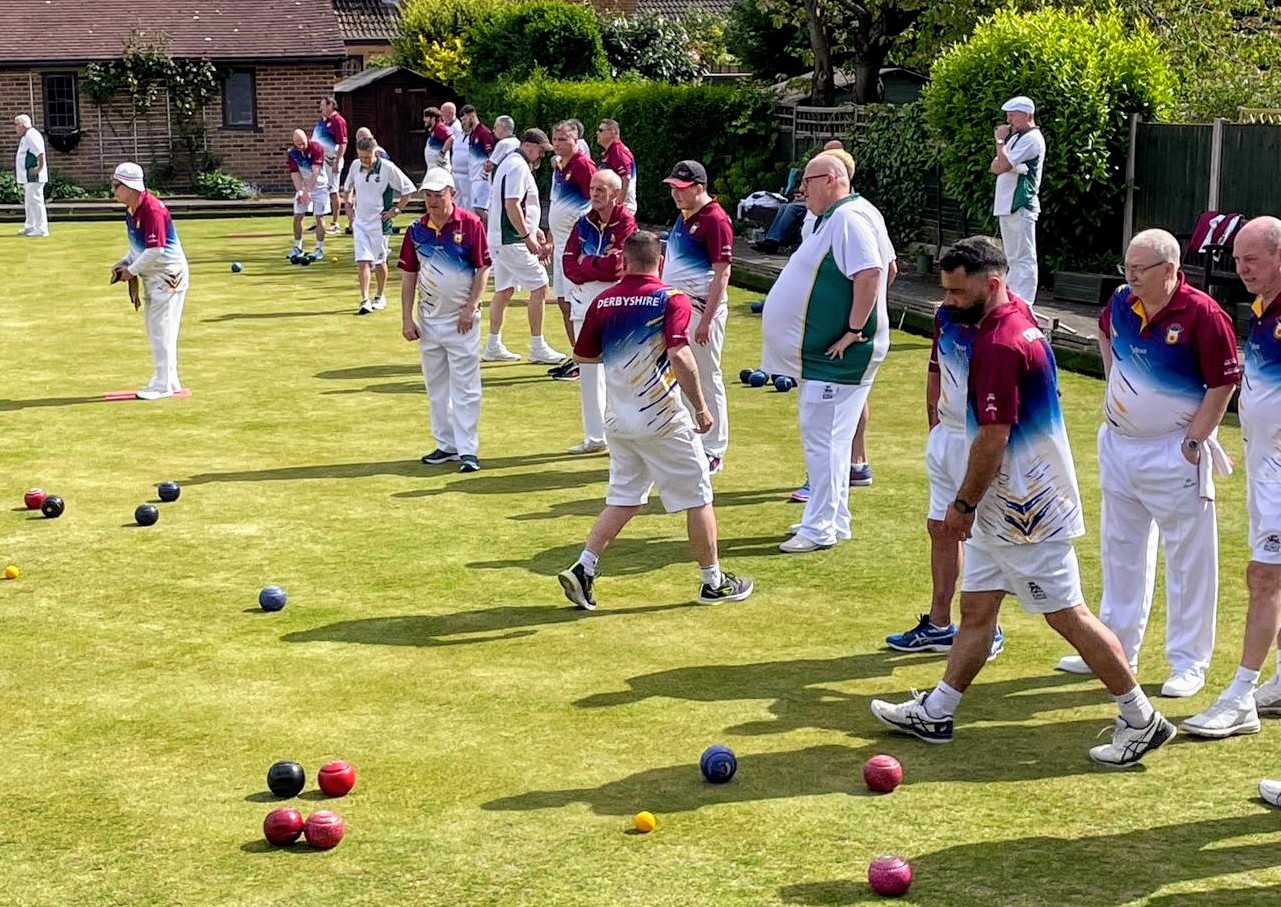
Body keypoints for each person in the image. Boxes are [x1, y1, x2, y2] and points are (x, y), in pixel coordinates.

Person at [869, 237, 1176, 769]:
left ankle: (1141, 717)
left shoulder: (999, 344)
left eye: (957, 291)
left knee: (1068, 616)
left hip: (1024, 511)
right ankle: (938, 711)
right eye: (944, 289)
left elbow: (993, 435)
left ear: (991, 284)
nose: (946, 301)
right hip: (1010, 504)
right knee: (978, 607)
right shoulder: (1012, 319)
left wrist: (962, 506)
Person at [1057, 229, 1238, 700]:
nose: (1131, 276)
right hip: (1118, 445)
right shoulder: (1120, 301)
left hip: (1173, 450)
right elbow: (1102, 330)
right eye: (1128, 267)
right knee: (1120, 551)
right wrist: (1116, 385)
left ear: (1171, 270)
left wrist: (1196, 439)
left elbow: (1223, 382)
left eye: (1141, 268)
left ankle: (1189, 663)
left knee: (1189, 560)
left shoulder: (1203, 314)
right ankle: (1115, 650)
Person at [557, 231, 754, 610]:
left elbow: (584, 355)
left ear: (624, 262)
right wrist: (700, 407)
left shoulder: (604, 300)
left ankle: (584, 567)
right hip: (662, 419)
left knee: (624, 498)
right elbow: (680, 354)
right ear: (659, 262)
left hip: (618, 421)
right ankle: (713, 582)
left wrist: (623, 360)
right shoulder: (671, 299)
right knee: (699, 496)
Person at [761, 154, 893, 552]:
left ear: (832, 179)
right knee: (829, 440)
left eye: (808, 181)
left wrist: (854, 329)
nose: (802, 189)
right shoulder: (838, 216)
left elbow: (872, 272)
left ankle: (819, 527)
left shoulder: (849, 219)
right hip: (825, 355)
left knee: (823, 439)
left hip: (837, 355)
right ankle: (833, 518)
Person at [1186, 217, 1281, 748]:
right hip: (1265, 468)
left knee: (1263, 577)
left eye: (1252, 260)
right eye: (1237, 260)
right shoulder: (1266, 310)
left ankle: (1240, 696)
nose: (1240, 270)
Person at [885, 286, 1006, 661]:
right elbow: (936, 369)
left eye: (957, 288)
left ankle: (990, 628)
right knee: (940, 528)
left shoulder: (1011, 325)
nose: (949, 297)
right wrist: (934, 423)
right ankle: (939, 624)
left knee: (987, 534)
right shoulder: (946, 316)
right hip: (947, 437)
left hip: (983, 439)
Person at [398, 168, 492, 474]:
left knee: (465, 387)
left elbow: (482, 268)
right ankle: (446, 444)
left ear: (453, 193)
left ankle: (468, 450)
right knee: (436, 386)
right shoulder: (416, 230)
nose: (433, 201)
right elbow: (409, 275)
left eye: (439, 194)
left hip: (462, 321)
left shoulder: (471, 224)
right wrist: (406, 317)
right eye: (428, 195)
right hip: (428, 322)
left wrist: (472, 306)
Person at [661, 160, 735, 475]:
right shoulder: (686, 215)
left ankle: (713, 448)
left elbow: (723, 273)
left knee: (706, 374)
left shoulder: (716, 220)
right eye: (673, 189)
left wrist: (707, 319)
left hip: (701, 309)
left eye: (681, 189)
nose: (675, 194)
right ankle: (691, 437)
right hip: (677, 307)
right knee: (680, 372)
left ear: (699, 188)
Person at [561, 169, 638, 454]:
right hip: (583, 303)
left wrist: (586, 262)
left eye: (601, 189)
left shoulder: (626, 222)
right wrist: (594, 264)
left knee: (620, 371)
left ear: (615, 194)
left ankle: (624, 433)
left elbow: (617, 266)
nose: (594, 194)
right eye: (593, 188)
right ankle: (595, 437)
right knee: (589, 371)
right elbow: (568, 263)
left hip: (615, 306)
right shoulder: (583, 223)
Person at [108, 162, 189, 400]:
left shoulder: (152, 210)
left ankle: (162, 385)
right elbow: (138, 247)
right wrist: (125, 261)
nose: (113, 190)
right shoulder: (132, 210)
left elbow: (156, 250)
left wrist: (131, 271)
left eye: (117, 185)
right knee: (163, 330)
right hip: (156, 276)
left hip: (167, 277)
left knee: (160, 331)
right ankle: (169, 380)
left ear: (131, 187)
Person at [483, 128, 563, 365]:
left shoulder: (512, 163)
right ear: (529, 146)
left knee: (504, 290)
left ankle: (493, 345)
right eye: (539, 150)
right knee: (540, 286)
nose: (540, 155)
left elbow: (519, 206)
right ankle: (537, 346)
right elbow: (512, 204)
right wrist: (527, 235)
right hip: (511, 240)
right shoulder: (517, 166)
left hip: (503, 238)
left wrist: (533, 228)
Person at [547, 121, 597, 380]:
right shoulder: (559, 167)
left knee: (578, 303)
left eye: (564, 139)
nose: (558, 143)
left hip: (576, 248)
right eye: (555, 138)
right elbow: (556, 203)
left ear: (576, 141)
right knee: (564, 303)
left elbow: (597, 202)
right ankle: (577, 354)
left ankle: (586, 358)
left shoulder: (582, 165)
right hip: (560, 245)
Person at [343, 136, 415, 316]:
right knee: (362, 261)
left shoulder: (388, 168)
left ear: (375, 153)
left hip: (379, 224)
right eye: (362, 157)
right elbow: (348, 188)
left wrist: (396, 210)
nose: (365, 161)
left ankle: (380, 296)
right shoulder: (354, 166)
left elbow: (408, 190)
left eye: (368, 157)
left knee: (380, 261)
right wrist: (348, 206)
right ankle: (364, 300)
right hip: (360, 222)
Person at [991, 95, 1045, 303]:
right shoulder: (1015, 138)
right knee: (1013, 257)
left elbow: (1003, 164)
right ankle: (1013, 298)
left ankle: (1025, 302)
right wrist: (1010, 163)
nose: (1008, 120)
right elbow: (995, 166)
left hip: (1021, 203)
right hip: (1006, 204)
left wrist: (999, 142)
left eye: (1012, 115)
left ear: (1027, 115)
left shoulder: (1033, 139)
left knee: (1024, 257)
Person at [753, 139, 845, 255]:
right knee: (784, 206)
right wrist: (804, 195)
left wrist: (807, 196)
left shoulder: (840, 169)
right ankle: (771, 240)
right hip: (813, 198)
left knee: (792, 208)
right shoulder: (824, 166)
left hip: (824, 203)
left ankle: (774, 242)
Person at [286, 128, 329, 262]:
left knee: (319, 217)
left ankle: (319, 249)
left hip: (320, 187)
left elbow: (315, 172)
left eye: (302, 143)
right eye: (297, 143)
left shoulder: (316, 148)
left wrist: (308, 191)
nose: (300, 146)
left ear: (307, 138)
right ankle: (298, 247)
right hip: (304, 187)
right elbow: (295, 174)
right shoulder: (292, 153)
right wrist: (300, 191)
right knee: (298, 216)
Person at [312, 97, 348, 236]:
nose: (320, 108)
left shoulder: (338, 121)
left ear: (331, 106)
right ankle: (319, 221)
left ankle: (335, 223)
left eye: (322, 105)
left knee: (333, 190)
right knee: (320, 189)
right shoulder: (322, 121)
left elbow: (343, 143)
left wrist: (336, 161)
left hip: (331, 160)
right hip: (320, 160)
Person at [343, 127, 388, 233]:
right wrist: (348, 199)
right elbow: (353, 180)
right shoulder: (358, 159)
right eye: (361, 139)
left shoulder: (379, 154)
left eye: (366, 138)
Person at [13, 114, 48, 237]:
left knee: (36, 201)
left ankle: (41, 228)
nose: (15, 128)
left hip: (33, 175)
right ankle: (30, 226)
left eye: (16, 125)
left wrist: (39, 168)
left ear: (22, 125)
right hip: (27, 176)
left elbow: (40, 153)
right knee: (29, 202)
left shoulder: (32, 135)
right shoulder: (26, 136)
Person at [461, 106, 496, 220]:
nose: (463, 123)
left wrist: (486, 174)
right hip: (474, 178)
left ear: (472, 117)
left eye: (464, 120)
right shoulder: (472, 134)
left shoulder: (483, 133)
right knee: (475, 210)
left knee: (480, 209)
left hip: (482, 178)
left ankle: (489, 233)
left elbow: (491, 155)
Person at [596, 118, 637, 213]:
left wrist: (618, 205)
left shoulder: (618, 152)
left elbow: (626, 178)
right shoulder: (612, 151)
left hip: (621, 207)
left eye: (601, 130)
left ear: (613, 132)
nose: (597, 133)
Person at [441, 102, 470, 209]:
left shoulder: (457, 128)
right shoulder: (447, 126)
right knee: (457, 197)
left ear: (451, 112)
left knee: (466, 198)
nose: (441, 114)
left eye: (443, 112)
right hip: (456, 170)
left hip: (464, 172)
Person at [423, 107, 453, 172]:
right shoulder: (434, 128)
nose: (424, 119)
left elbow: (451, 138)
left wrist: (442, 153)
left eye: (426, 117)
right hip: (434, 167)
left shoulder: (439, 127)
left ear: (433, 118)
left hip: (440, 169)